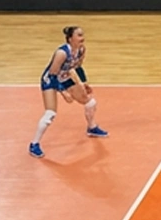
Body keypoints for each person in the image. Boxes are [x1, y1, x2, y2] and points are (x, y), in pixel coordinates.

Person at [31, 26, 106, 158]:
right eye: (79, 35)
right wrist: (63, 92)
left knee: (90, 102)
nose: (82, 38)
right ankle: (34, 144)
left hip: (65, 76)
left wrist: (83, 82)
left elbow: (77, 67)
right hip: (50, 80)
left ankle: (91, 127)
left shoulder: (81, 50)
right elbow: (53, 75)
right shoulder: (62, 53)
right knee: (50, 113)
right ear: (70, 39)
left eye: (83, 35)